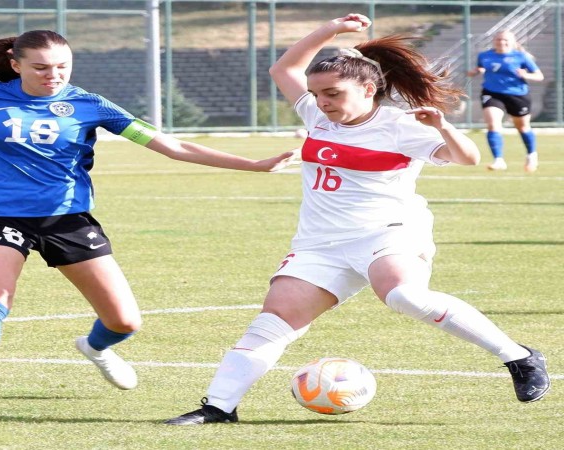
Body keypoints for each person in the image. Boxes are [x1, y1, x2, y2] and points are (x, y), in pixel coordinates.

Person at [0, 30, 297, 400]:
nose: (53, 75)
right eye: (42, 67)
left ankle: (94, 347)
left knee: (124, 322)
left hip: (68, 219)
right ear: (15, 65)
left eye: (62, 67)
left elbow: (170, 145)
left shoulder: (92, 105)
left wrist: (251, 163)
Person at [165, 14, 550, 425]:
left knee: (404, 295)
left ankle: (520, 357)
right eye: (316, 94)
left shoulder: (401, 127)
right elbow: (283, 68)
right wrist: (330, 29)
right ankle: (219, 408)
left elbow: (466, 157)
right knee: (272, 322)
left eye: (332, 93)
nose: (322, 102)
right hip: (320, 244)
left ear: (368, 89)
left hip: (389, 233)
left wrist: (441, 125)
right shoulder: (318, 116)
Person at [467, 30, 544, 172]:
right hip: (492, 93)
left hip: (517, 95)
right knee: (492, 124)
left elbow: (539, 76)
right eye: (498, 39)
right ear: (494, 41)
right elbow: (481, 68)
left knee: (522, 127)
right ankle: (498, 160)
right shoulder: (485, 56)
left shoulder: (521, 57)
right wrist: (475, 72)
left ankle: (532, 155)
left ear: (512, 42)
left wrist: (525, 74)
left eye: (505, 40)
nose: (501, 42)